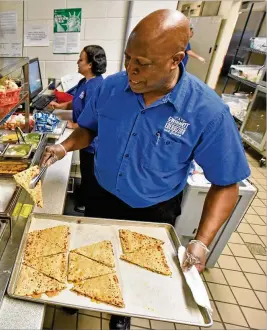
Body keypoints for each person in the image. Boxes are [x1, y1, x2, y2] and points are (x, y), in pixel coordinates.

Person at [41, 10, 250, 330]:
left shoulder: (206, 111)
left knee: (134, 271)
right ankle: (80, 291)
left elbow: (227, 183)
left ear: (175, 59)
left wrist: (202, 241)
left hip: (153, 208)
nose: (131, 70)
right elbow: (88, 130)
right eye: (127, 59)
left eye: (143, 63)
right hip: (101, 193)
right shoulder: (110, 89)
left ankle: (121, 312)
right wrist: (64, 146)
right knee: (92, 253)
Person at [48, 45, 106, 213]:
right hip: (82, 136)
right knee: (85, 170)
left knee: (89, 172)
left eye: (81, 59)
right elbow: (75, 101)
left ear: (90, 64)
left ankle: (87, 203)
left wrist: (75, 125)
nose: (78, 62)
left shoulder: (96, 86)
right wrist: (60, 106)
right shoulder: (84, 82)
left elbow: (94, 115)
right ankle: (84, 195)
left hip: (91, 140)